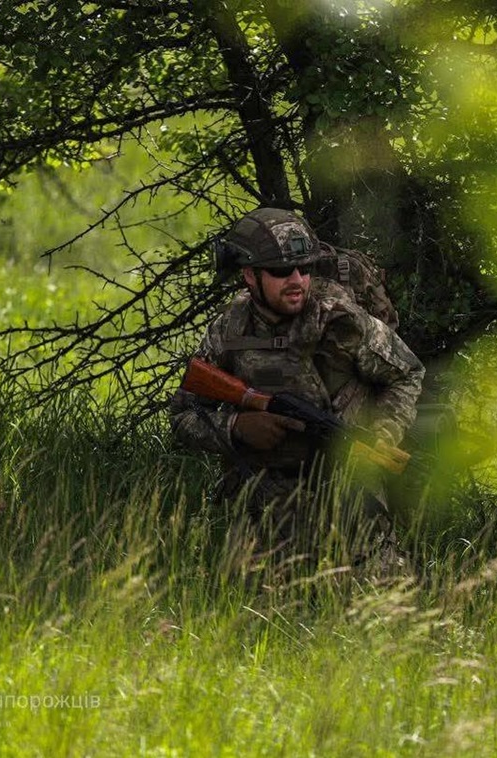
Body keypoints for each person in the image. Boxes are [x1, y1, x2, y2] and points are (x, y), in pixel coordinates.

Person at [169, 208, 425, 570]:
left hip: (347, 486)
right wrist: (238, 428)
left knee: (380, 604)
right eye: (280, 271)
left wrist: (383, 433)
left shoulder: (340, 320)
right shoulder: (229, 330)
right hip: (265, 494)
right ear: (249, 276)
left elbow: (407, 372)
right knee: (252, 606)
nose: (297, 280)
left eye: (304, 269)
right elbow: (183, 414)